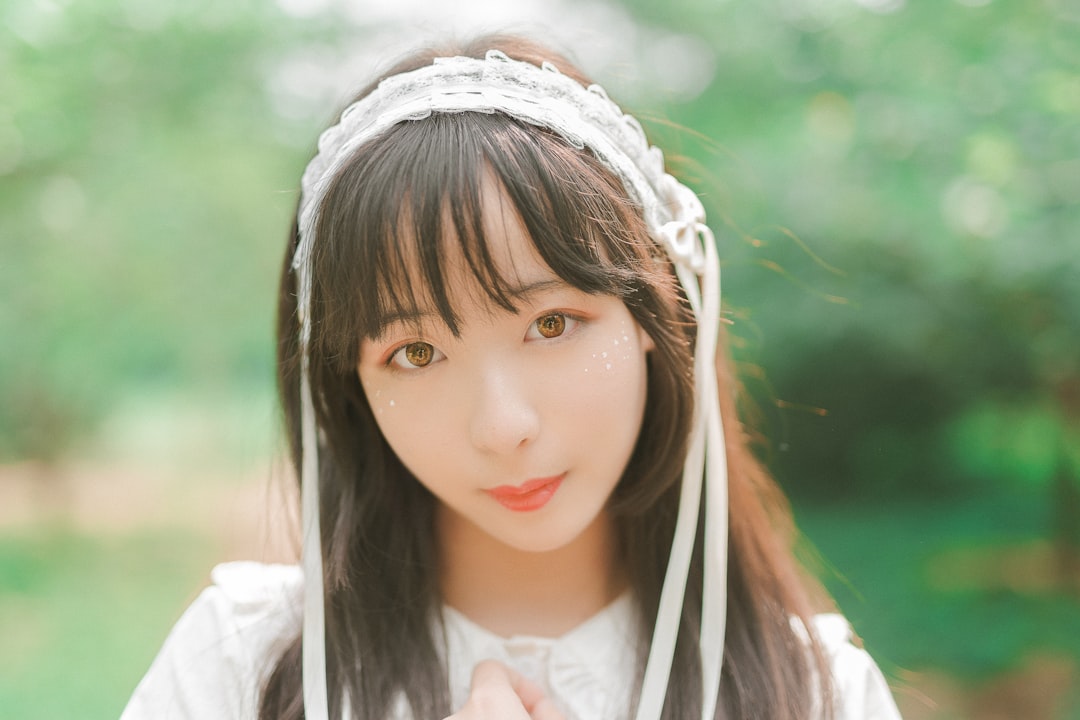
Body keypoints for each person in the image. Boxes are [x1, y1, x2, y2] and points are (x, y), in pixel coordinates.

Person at [121, 34, 903, 720]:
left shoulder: (817, 692)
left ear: (656, 316)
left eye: (551, 325)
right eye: (415, 353)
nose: (503, 426)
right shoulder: (242, 666)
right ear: (347, 384)